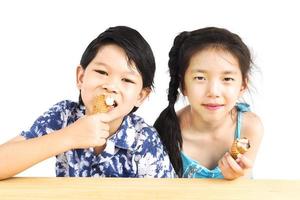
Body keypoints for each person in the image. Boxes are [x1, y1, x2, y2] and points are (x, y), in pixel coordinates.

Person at [0, 26, 176, 179]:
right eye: (102, 72)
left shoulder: (144, 139)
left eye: (127, 80)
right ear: (81, 77)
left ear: (141, 96)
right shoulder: (63, 116)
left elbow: (167, 194)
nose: (111, 86)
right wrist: (68, 136)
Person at [154, 27, 263, 179]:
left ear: (242, 86)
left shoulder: (249, 127)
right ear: (183, 85)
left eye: (227, 79)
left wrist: (236, 179)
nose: (213, 92)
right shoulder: (166, 130)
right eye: (200, 78)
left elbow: (244, 190)